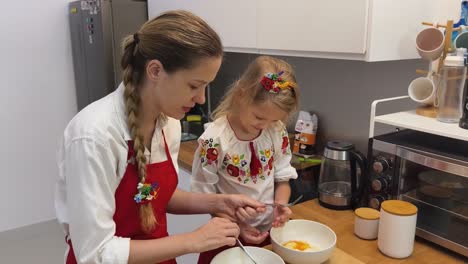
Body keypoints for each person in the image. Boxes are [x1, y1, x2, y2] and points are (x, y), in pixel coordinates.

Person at [55, 10, 265, 264]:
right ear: (155, 70)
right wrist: (193, 240)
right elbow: (95, 253)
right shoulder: (94, 136)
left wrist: (217, 202)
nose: (201, 99)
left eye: (205, 86)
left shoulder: (169, 124)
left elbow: (154, 195)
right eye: (194, 85)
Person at [191, 56, 300, 263]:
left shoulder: (276, 132)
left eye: (274, 120)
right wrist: (238, 226)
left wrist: (280, 205)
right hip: (226, 235)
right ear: (242, 95)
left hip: (269, 234)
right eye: (259, 117)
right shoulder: (215, 140)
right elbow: (205, 198)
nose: (265, 125)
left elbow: (282, 178)